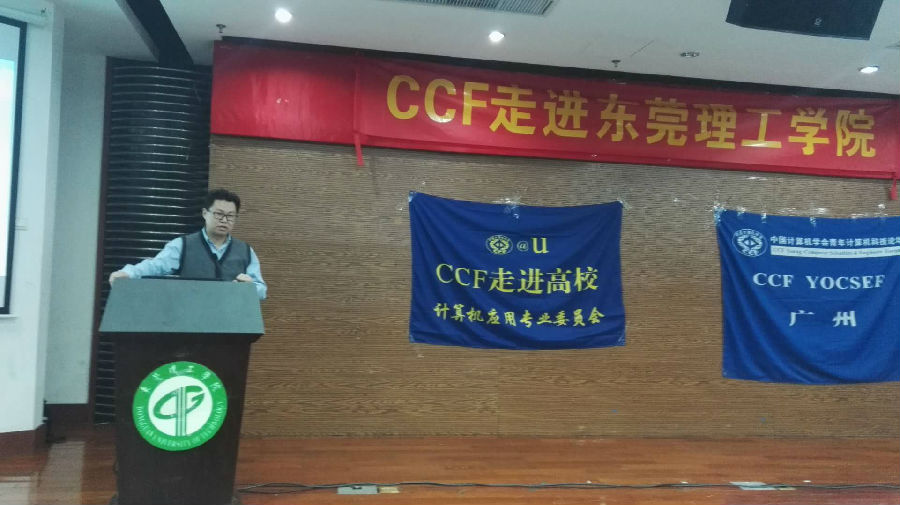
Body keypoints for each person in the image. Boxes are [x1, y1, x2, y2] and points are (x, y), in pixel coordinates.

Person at [108, 189, 267, 299]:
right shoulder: (183, 245)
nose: (224, 220)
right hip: (191, 320)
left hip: (232, 324)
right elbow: (155, 265)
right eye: (219, 214)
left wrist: (249, 287)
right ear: (205, 213)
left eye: (230, 216)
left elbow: (262, 290)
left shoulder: (246, 251)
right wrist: (129, 273)